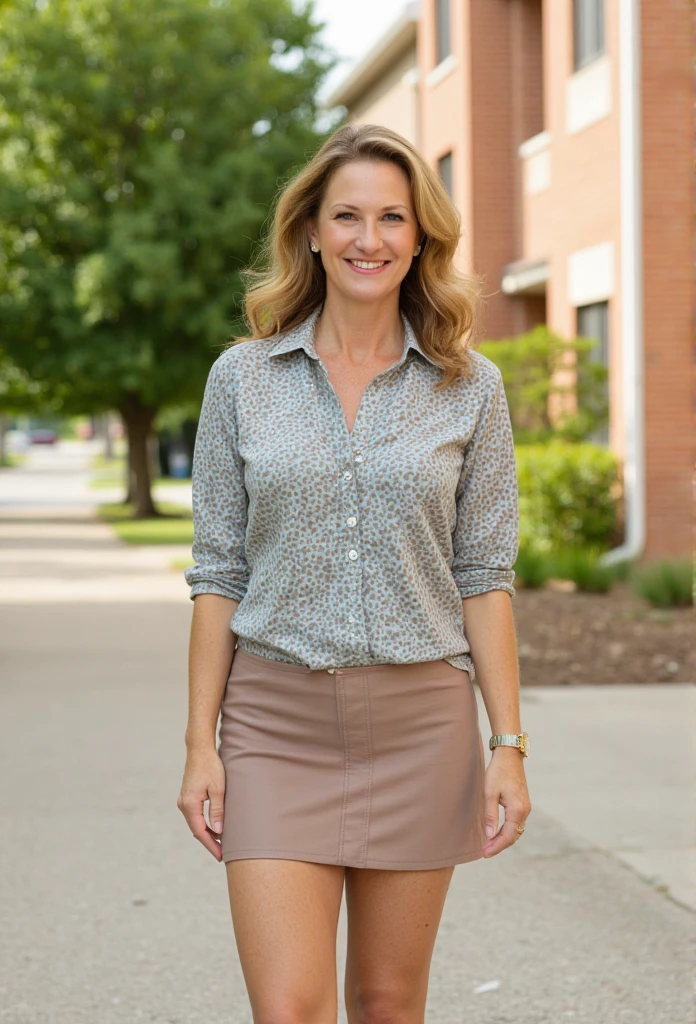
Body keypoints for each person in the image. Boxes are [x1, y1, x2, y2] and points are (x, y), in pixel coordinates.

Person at [177, 123, 532, 1023]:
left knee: (384, 1001)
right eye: (346, 216)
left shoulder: (470, 387)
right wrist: (199, 746)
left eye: (390, 218)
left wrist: (508, 746)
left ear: (419, 238)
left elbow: (484, 574)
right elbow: (217, 572)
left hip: (421, 728)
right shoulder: (242, 379)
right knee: (289, 1009)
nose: (367, 239)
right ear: (310, 231)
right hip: (274, 725)